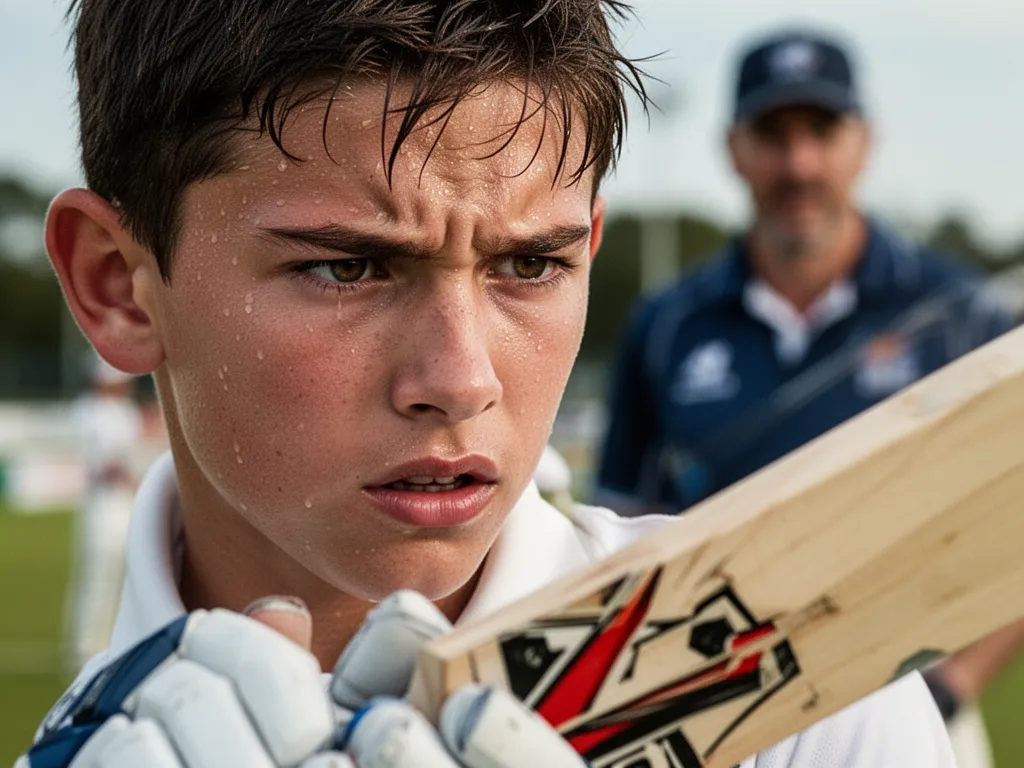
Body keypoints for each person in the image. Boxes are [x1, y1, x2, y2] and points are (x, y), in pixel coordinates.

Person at [19, 6, 958, 767]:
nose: (460, 381)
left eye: (531, 264)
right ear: (117, 284)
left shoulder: (801, 698)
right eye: (349, 269)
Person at [593, 27, 1023, 768]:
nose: (799, 163)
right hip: (715, 711)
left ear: (864, 142)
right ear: (734, 149)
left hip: (918, 703)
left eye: (821, 131)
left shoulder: (962, 314)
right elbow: (621, 525)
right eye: (773, 134)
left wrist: (949, 689)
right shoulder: (667, 325)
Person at [63, 353, 143, 674]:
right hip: (101, 502)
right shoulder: (87, 412)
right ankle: (83, 648)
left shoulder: (127, 413)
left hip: (126, 501)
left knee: (127, 575)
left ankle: (116, 643)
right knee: (96, 574)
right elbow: (102, 464)